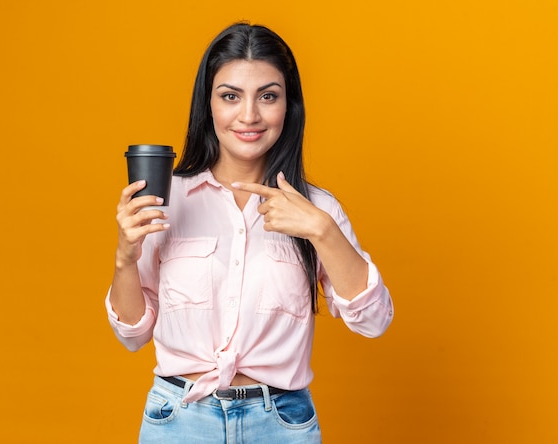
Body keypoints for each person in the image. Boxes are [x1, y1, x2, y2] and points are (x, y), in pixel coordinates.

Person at [105, 22, 393, 443]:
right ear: (209, 106)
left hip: (281, 425)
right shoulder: (168, 198)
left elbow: (373, 321)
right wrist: (124, 258)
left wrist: (323, 231)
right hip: (180, 423)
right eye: (230, 96)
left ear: (288, 107)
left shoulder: (319, 210)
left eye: (268, 96)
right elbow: (132, 333)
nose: (249, 115)